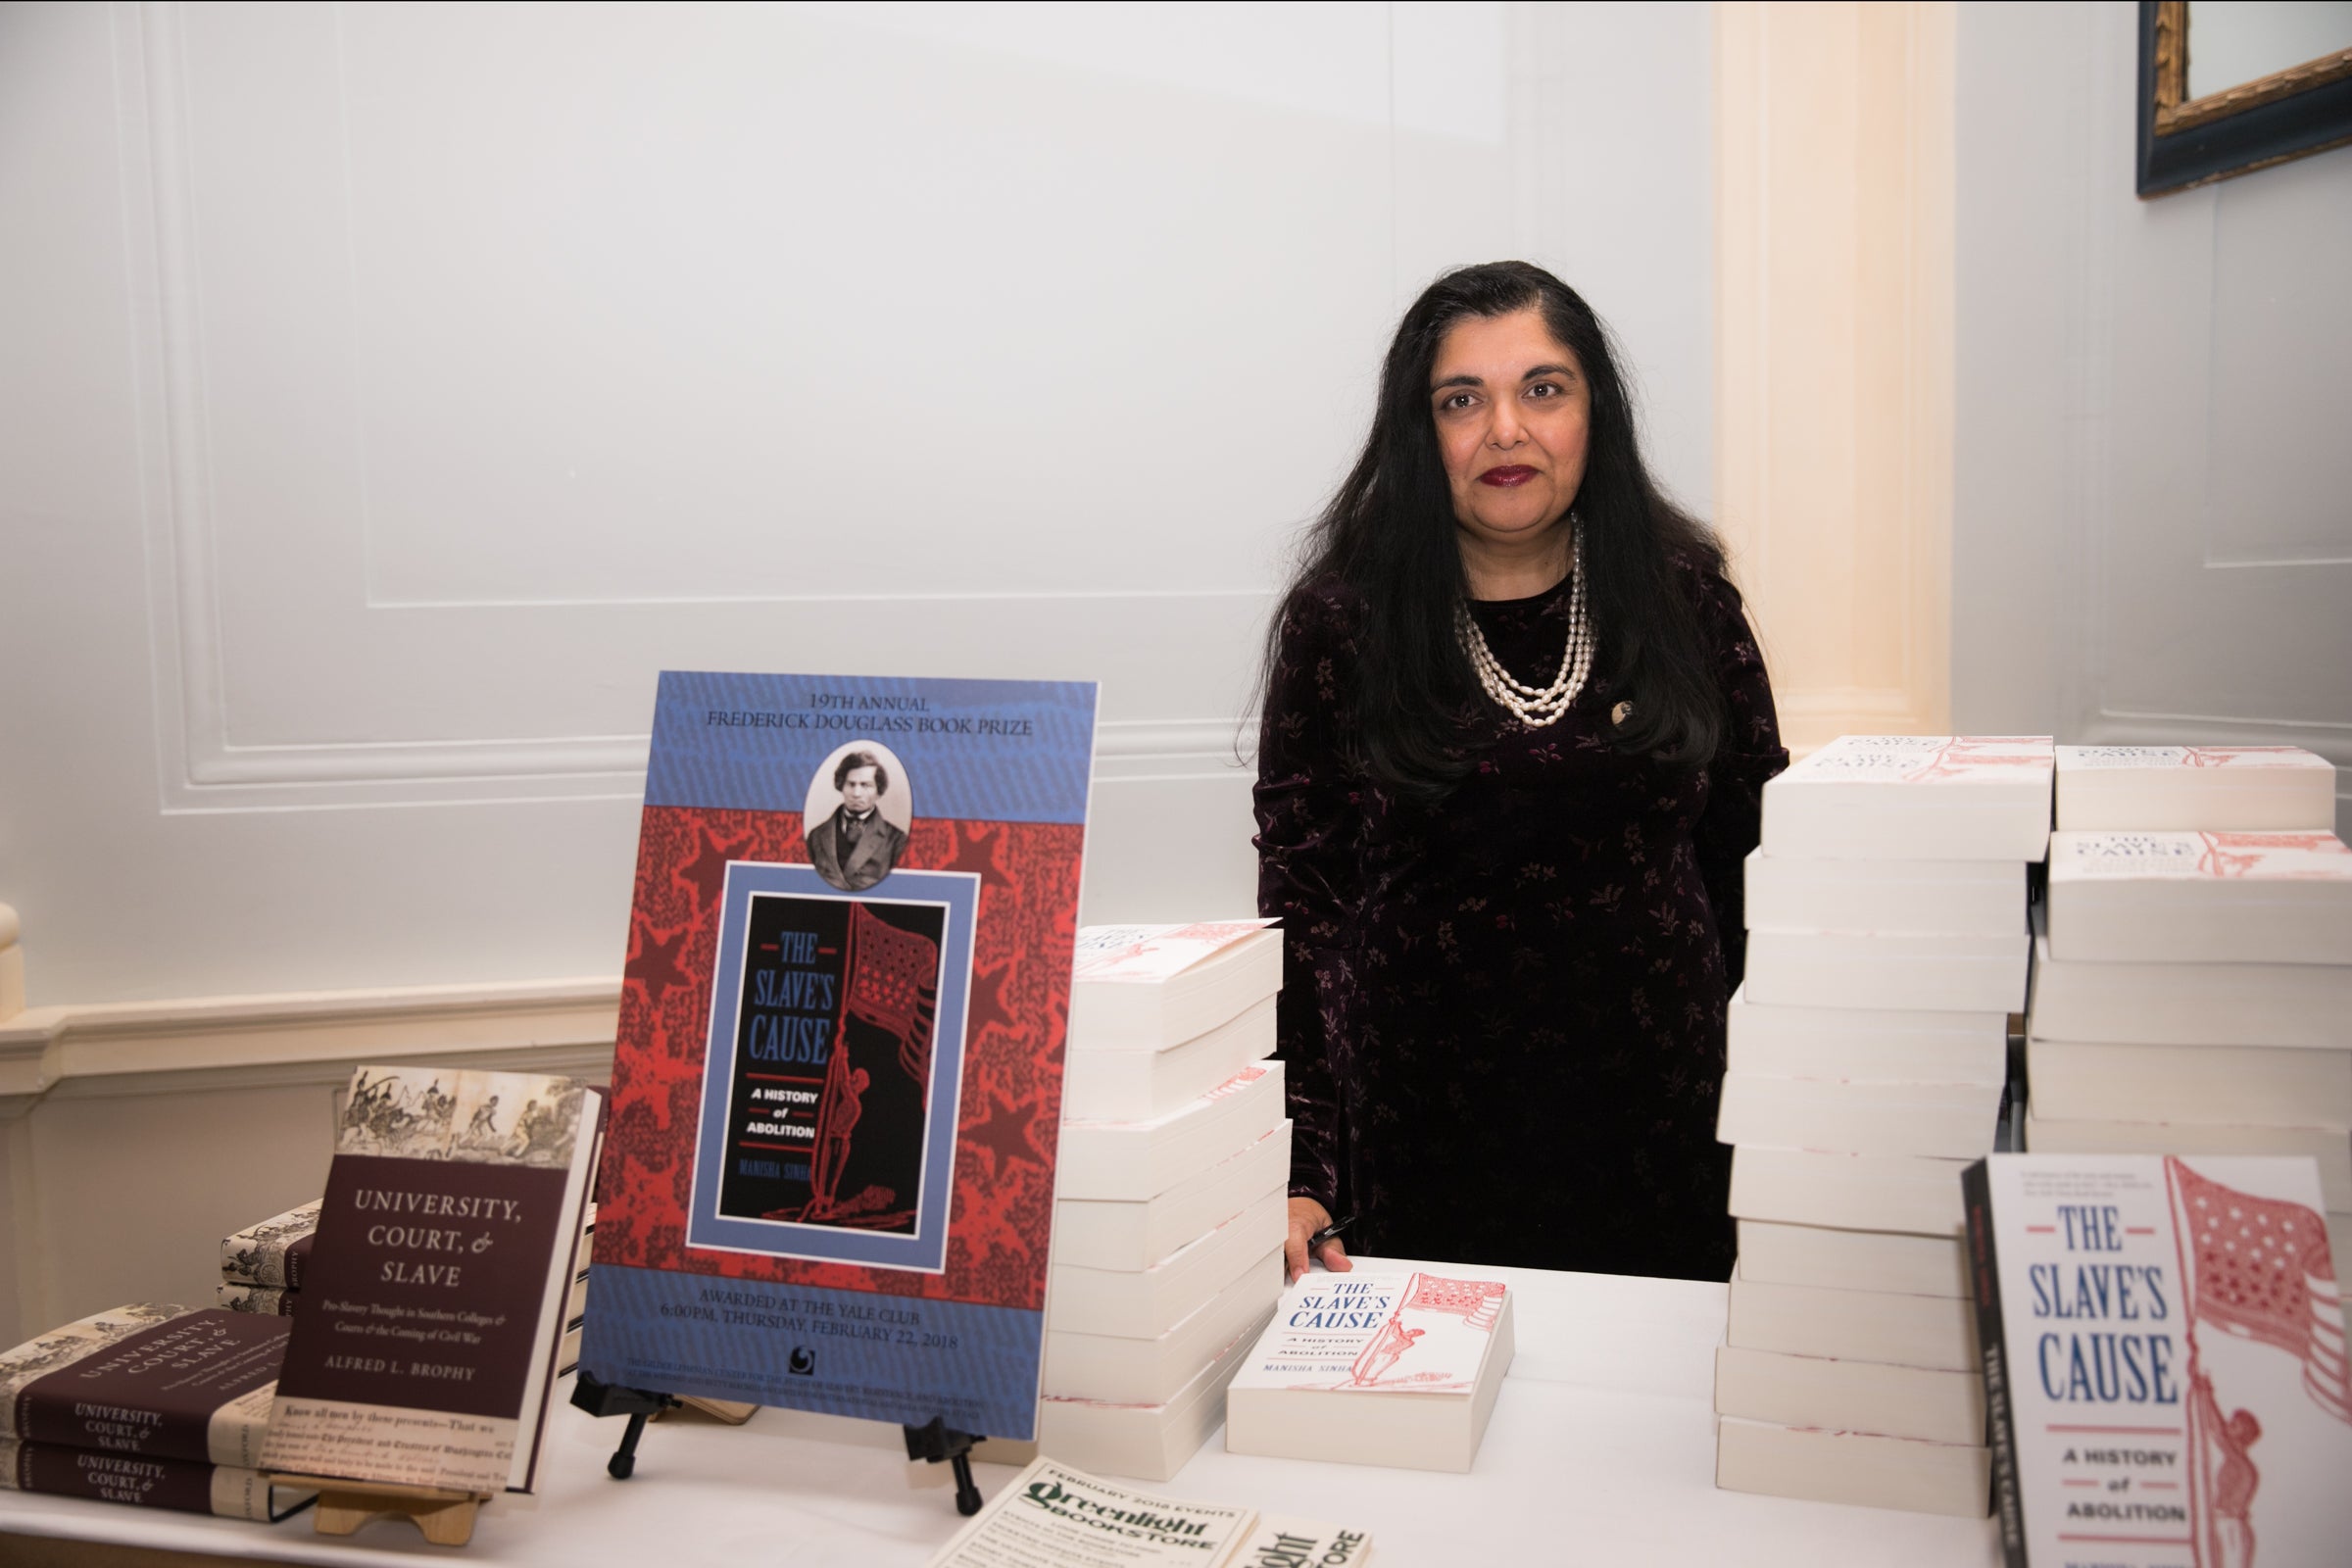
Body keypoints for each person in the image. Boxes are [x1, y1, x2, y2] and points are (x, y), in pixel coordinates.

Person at [1256, 261, 1787, 1286]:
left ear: (1597, 411)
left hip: (1674, 1131)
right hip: (1423, 1143)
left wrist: (1789, 1119)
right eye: (1463, 400)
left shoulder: (1686, 599)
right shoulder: (1342, 625)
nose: (1507, 430)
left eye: (1544, 389)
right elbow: (1305, 917)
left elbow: (1757, 870)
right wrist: (1303, 1163)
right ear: (1422, 435)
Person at [808, 750, 908, 892]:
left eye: (865, 785)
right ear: (841, 785)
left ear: (878, 791)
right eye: (851, 784)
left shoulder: (896, 840)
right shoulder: (816, 836)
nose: (856, 793)